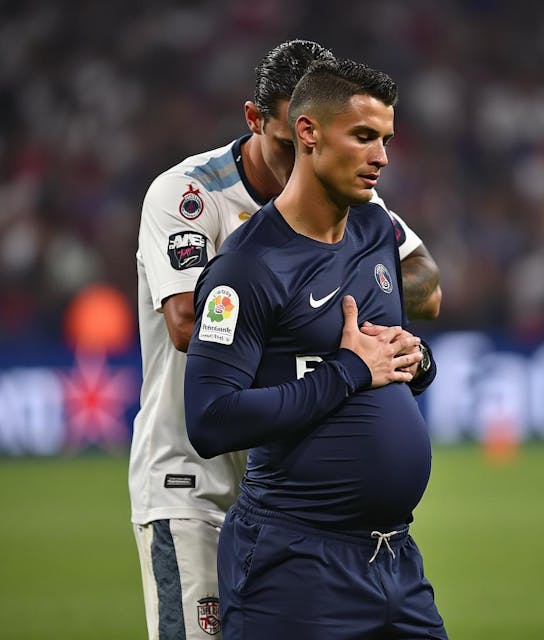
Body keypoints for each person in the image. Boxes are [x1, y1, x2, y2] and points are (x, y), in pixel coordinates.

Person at [130, 40, 441, 639]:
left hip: (293, 484)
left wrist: (364, 311)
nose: (290, 167)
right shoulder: (188, 195)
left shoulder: (351, 205)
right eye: (283, 147)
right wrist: (321, 323)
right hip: (196, 482)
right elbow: (187, 326)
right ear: (269, 123)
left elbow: (427, 284)